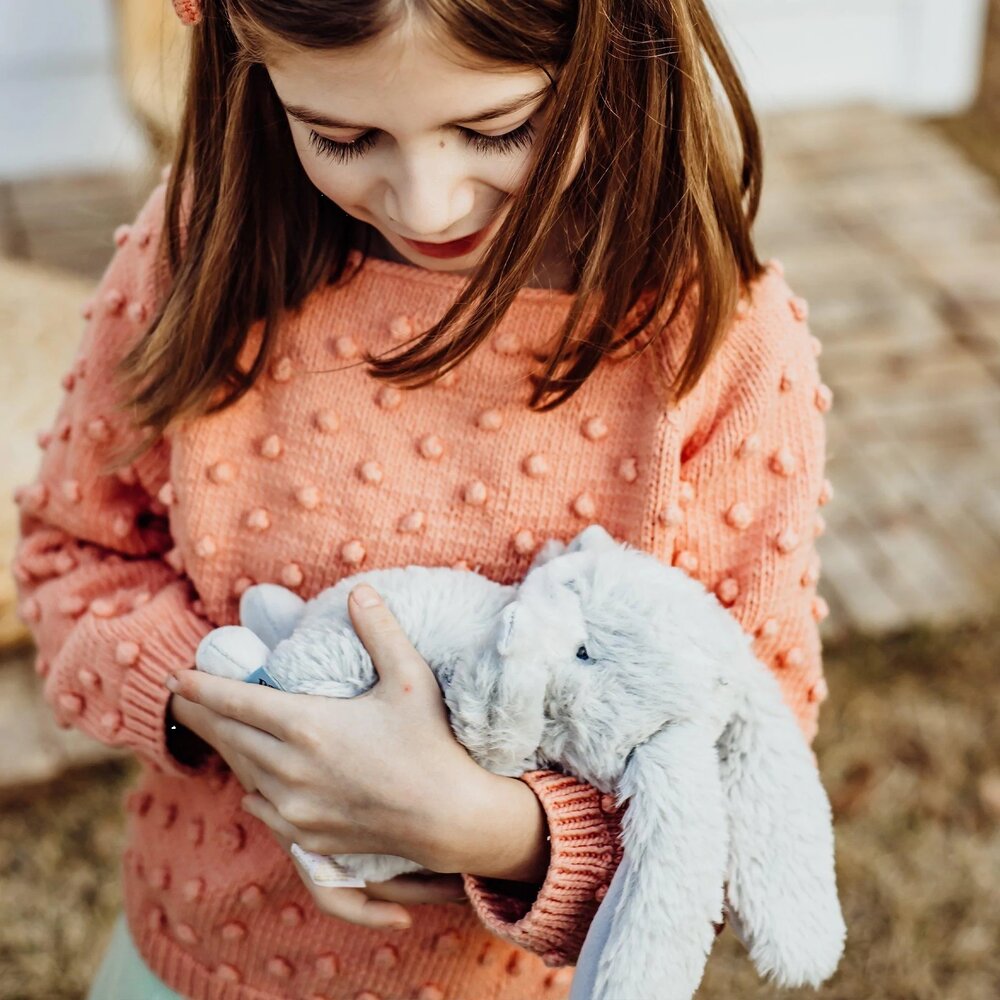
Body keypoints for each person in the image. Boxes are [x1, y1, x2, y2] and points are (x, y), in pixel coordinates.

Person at [12, 0, 835, 997]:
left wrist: (485, 828)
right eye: (343, 136)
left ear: (613, 45)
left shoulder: (719, 345)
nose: (427, 203)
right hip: (188, 960)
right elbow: (71, 560)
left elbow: (741, 764)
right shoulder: (202, 243)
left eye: (498, 130)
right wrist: (253, 720)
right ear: (250, 66)